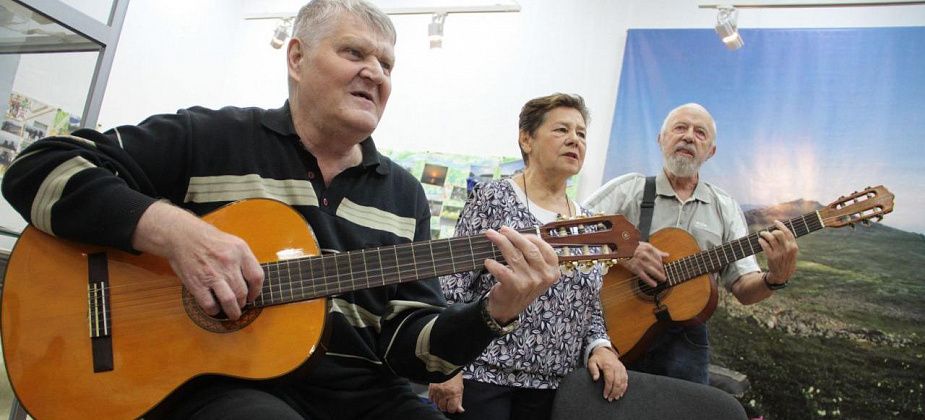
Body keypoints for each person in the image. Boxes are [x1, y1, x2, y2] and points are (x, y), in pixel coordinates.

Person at [0, 1, 560, 419]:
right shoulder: (211, 136)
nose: (376, 73)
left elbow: (412, 354)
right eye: (354, 53)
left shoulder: (404, 196)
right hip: (216, 385)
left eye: (387, 64)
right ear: (296, 57)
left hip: (357, 393)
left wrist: (497, 310)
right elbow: (38, 167)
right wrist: (176, 233)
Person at [428, 93, 627, 420]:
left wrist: (600, 345)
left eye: (581, 134)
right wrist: (445, 364)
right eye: (562, 130)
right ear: (526, 139)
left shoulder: (589, 224)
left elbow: (588, 303)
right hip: (483, 376)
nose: (574, 140)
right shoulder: (494, 198)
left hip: (556, 389)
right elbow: (452, 286)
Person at [582, 103, 799, 384]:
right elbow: (567, 234)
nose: (688, 137)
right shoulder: (628, 190)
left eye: (700, 133)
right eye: (680, 128)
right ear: (661, 139)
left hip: (685, 343)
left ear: (711, 152)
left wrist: (774, 278)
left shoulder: (724, 207)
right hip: (612, 328)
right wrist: (625, 252)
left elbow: (745, 290)